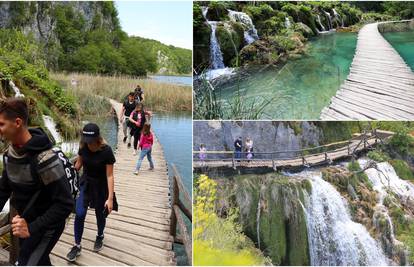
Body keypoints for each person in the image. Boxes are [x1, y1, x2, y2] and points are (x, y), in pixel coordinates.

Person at [0, 98, 74, 265]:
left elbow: (65, 204)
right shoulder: (10, 154)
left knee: (27, 262)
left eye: (1, 124)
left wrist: (31, 228)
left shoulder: (44, 159)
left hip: (47, 226)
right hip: (25, 222)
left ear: (17, 122)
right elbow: (3, 189)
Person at [66, 123, 116, 262]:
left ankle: (100, 236)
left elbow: (110, 175)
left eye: (91, 141)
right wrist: (65, 168)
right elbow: (78, 165)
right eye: (86, 140)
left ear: (97, 138)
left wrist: (110, 198)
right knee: (80, 213)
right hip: (86, 184)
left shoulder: (106, 151)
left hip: (101, 187)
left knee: (100, 214)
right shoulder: (83, 147)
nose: (88, 143)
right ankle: (77, 245)